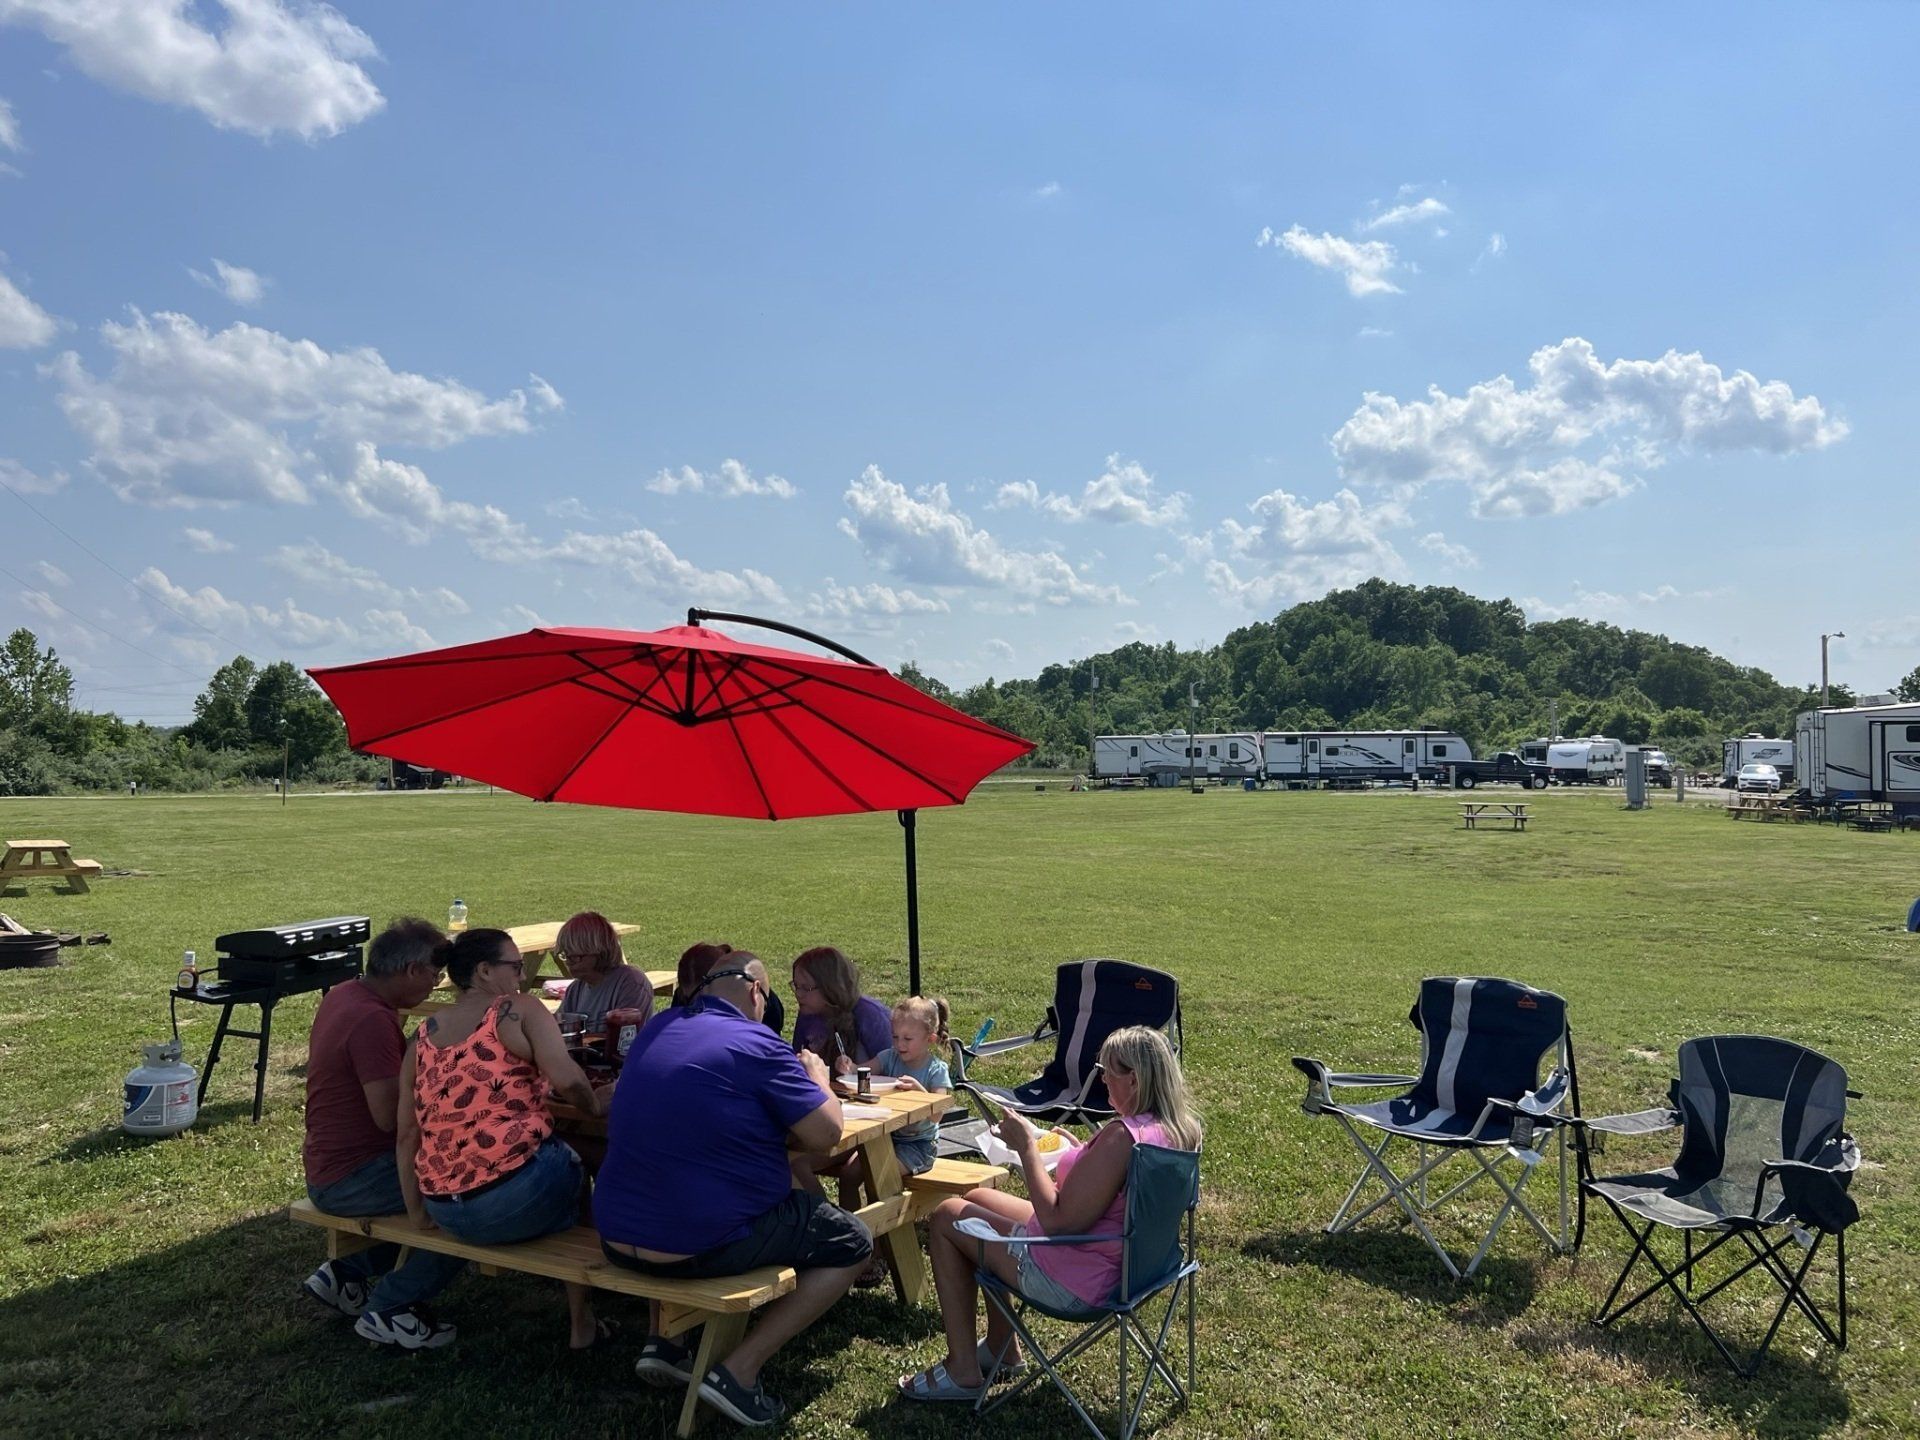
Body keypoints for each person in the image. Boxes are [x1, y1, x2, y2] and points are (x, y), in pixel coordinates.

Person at [596, 953, 871, 1428]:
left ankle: (666, 1341)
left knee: (673, 1183)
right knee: (852, 1241)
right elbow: (826, 1135)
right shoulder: (755, 1042)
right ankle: (738, 1371)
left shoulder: (657, 1029)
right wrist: (819, 1081)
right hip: (697, 1243)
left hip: (616, 1235)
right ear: (755, 993)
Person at [899, 1025, 1201, 1403]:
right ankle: (1001, 1347)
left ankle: (963, 1370)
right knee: (979, 1197)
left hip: (1078, 1280)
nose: (1103, 1079)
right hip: (1137, 1266)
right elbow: (1113, 1190)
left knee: (947, 1217)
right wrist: (1081, 1152)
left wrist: (1026, 1147)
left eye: (1109, 1071)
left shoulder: (1121, 1138)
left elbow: (1058, 1222)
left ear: (1135, 1080)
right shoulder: (1180, 1130)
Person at [396, 928, 613, 1351]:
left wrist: (419, 1216)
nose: (520, 975)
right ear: (484, 971)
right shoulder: (519, 1009)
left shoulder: (423, 1035)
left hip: (447, 1211)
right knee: (581, 1165)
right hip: (508, 1202)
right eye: (514, 967)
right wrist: (598, 1104)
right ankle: (582, 1319)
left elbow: (407, 1135)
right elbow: (569, 1080)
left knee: (570, 1157)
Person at [300, 918, 467, 1349]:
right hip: (356, 1176)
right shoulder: (371, 1021)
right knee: (474, 1201)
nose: (435, 985)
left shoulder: (346, 994)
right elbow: (389, 1119)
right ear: (412, 970)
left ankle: (347, 1272)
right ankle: (391, 1307)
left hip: (329, 1165)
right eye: (435, 975)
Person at [794, 994, 951, 1208]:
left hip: (917, 1147)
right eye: (895, 1037)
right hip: (883, 1136)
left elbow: (937, 1114)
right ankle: (850, 1223)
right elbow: (862, 1071)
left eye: (907, 1039)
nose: (899, 1044)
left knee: (873, 1175)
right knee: (849, 1175)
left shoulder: (936, 1070)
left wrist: (919, 1090)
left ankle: (879, 1231)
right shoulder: (889, 1057)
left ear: (929, 1039)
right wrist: (848, 1066)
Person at [554, 910, 654, 1034]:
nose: (568, 962)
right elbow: (556, 1031)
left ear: (599, 952)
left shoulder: (631, 983)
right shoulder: (575, 990)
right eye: (565, 955)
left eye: (575, 956)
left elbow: (624, 1042)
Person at [790, 946, 889, 1069]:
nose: (798, 994)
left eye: (806, 988)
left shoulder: (870, 1014)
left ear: (830, 987)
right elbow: (795, 1058)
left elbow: (891, 1065)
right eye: (796, 986)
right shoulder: (808, 1012)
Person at [674, 939, 784, 1036]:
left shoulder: (766, 1005)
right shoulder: (681, 1001)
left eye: (707, 998)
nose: (699, 1010)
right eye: (691, 1002)